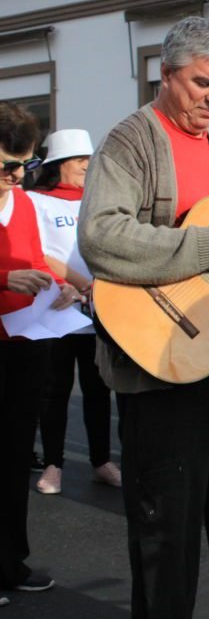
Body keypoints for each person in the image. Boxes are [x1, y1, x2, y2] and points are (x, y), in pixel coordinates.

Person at [78, 16, 209, 619]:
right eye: (202, 83)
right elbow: (101, 236)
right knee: (165, 548)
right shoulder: (131, 139)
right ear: (165, 75)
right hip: (162, 365)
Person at [0, 102, 77, 598]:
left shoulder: (25, 203)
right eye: (8, 165)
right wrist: (6, 278)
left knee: (13, 457)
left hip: (27, 340)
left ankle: (10, 560)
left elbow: (36, 258)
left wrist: (58, 284)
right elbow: (14, 269)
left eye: (25, 164)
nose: (17, 176)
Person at [26, 129, 120, 496]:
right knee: (55, 390)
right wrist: (81, 283)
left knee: (98, 390)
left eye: (88, 159)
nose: (86, 165)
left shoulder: (97, 200)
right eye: (79, 159)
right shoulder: (36, 201)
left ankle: (101, 461)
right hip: (56, 308)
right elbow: (37, 251)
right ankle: (54, 464)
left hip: (99, 309)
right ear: (58, 164)